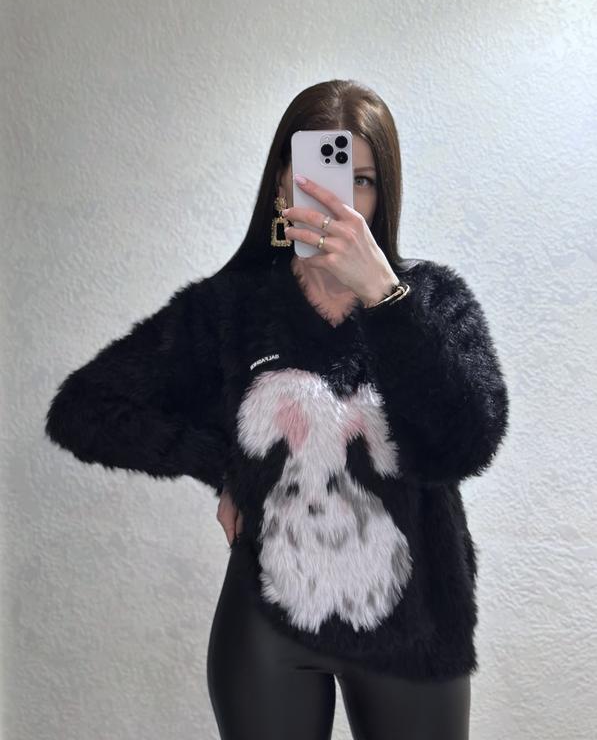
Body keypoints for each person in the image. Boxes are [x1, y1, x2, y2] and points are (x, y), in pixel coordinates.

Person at [45, 79, 510, 740]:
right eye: (317, 176)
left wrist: (384, 298)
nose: (338, 199)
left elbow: (468, 441)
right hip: (268, 620)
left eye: (361, 181)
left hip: (414, 624)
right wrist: (227, 467)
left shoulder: (431, 301)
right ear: (281, 188)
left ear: (383, 195)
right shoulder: (230, 308)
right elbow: (84, 407)